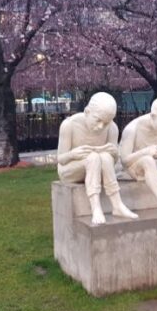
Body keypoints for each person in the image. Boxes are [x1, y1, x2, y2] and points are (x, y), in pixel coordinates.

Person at [57, 92, 138, 225]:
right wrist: (73, 154)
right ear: (87, 112)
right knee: (93, 158)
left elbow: (114, 162)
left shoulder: (112, 128)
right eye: (98, 120)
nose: (101, 126)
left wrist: (114, 153)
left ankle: (117, 205)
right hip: (70, 170)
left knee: (105, 157)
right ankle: (96, 207)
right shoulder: (69, 125)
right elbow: (61, 159)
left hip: (98, 168)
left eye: (106, 123)